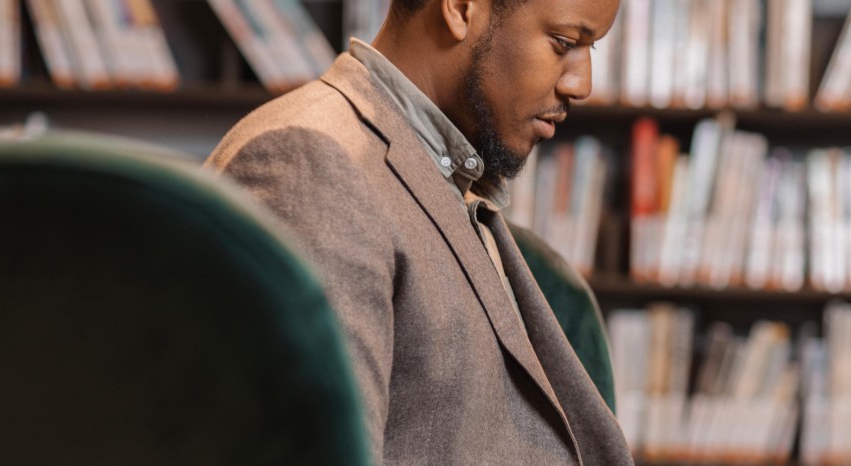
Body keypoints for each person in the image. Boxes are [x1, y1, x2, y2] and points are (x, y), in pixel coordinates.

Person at [202, 0, 628, 462]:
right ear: (462, 8)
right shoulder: (311, 161)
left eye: (591, 50)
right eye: (564, 43)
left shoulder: (443, 170)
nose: (581, 84)